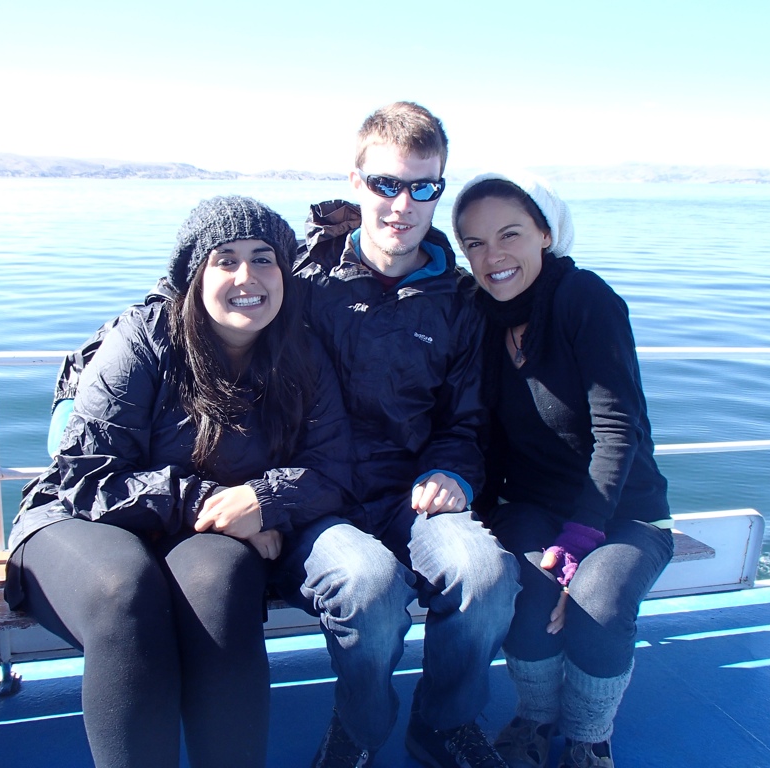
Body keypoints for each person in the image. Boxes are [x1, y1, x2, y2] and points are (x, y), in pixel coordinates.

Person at [4, 196, 354, 768]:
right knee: (125, 591)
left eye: (263, 258)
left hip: (200, 534)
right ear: (194, 274)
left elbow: (333, 466)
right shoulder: (144, 337)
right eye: (225, 260)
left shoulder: (300, 352)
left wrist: (266, 501)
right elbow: (86, 475)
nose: (247, 277)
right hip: (82, 516)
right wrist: (215, 502)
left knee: (223, 583)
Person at [277, 101, 521, 768]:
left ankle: (442, 725)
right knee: (369, 587)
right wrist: (76, 393)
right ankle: (360, 730)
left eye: (423, 186)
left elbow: (465, 420)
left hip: (409, 495)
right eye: (386, 183)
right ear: (355, 182)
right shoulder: (299, 281)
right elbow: (186, 310)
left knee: (485, 576)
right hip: (314, 498)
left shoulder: (461, 302)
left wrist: (451, 472)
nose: (403, 205)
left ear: (440, 189)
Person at [451, 171, 675, 768]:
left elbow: (618, 429)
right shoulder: (477, 315)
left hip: (623, 508)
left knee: (596, 603)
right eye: (474, 243)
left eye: (510, 234)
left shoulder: (584, 299)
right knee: (525, 595)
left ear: (545, 234)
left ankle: (588, 737)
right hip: (529, 504)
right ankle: (535, 719)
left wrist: (580, 537)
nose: (493, 256)